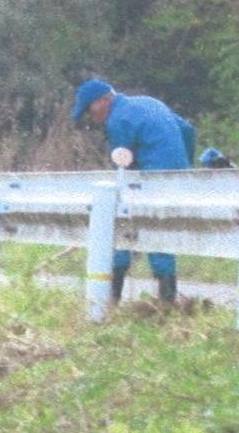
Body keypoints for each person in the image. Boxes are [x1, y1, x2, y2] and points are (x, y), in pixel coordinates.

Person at [71, 78, 196, 303]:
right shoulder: (148, 102)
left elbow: (122, 163)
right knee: (159, 232)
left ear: (101, 102)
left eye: (89, 111)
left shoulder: (117, 120)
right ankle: (165, 299)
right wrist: (184, 167)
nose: (92, 118)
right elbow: (188, 130)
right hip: (178, 177)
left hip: (152, 179)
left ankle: (117, 298)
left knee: (130, 229)